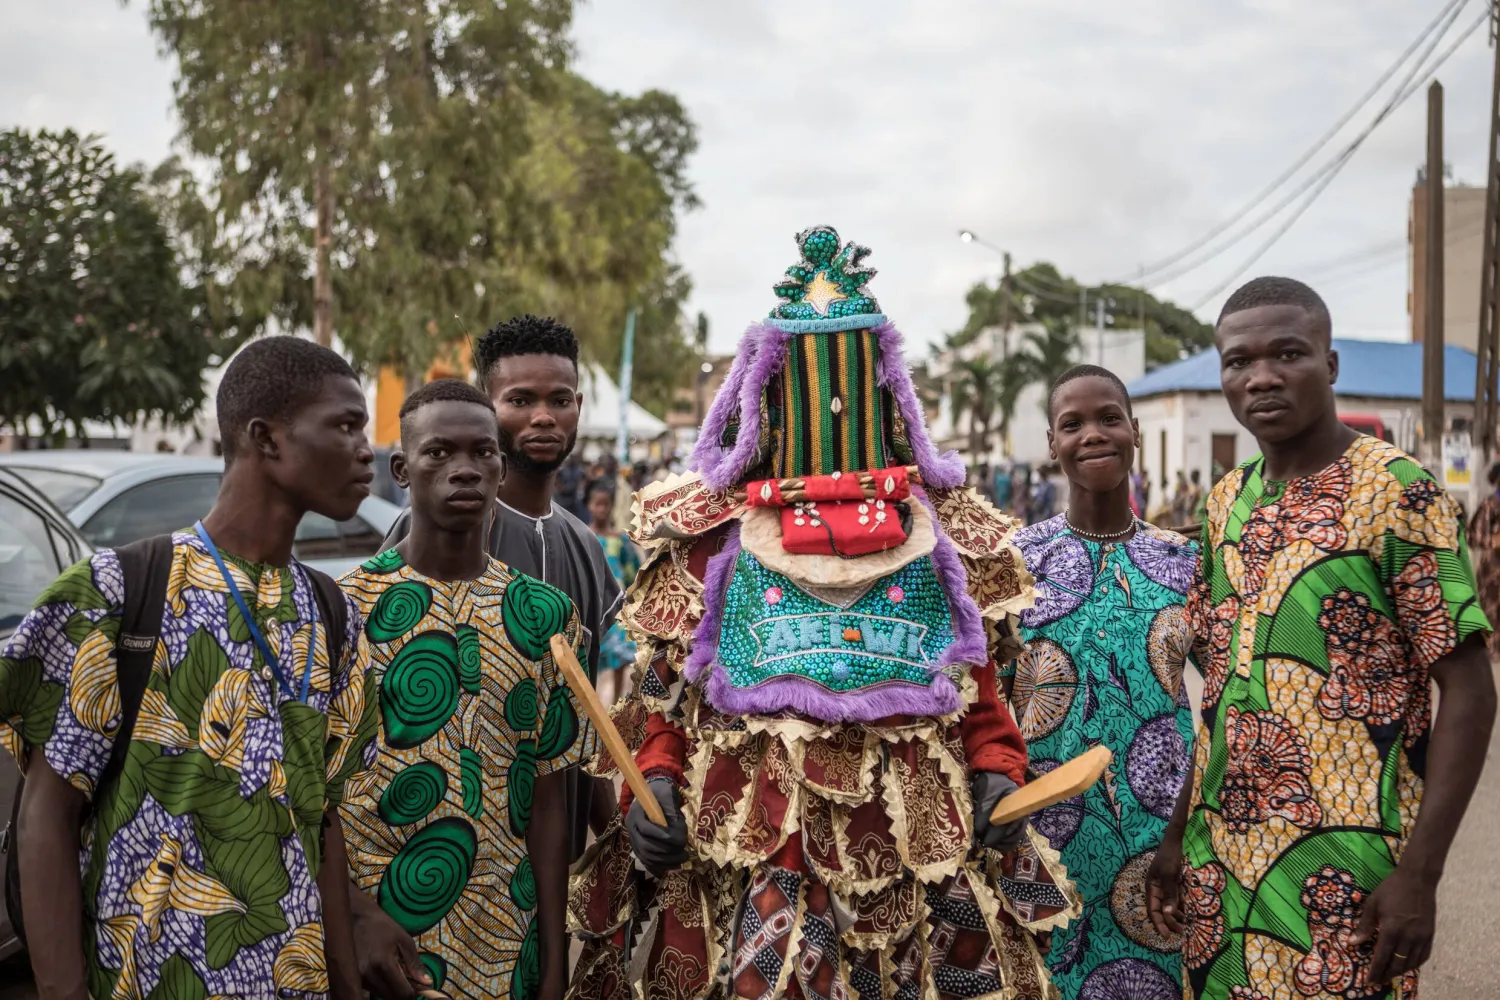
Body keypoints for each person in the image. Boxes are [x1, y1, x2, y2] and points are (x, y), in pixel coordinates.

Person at [568, 226, 1076, 1000]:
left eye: (846, 376)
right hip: (751, 845)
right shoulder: (713, 532)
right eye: (804, 377)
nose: (828, 402)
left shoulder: (939, 529)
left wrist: (998, 773)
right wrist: (659, 782)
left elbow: (978, 687)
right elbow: (670, 691)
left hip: (913, 855)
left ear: (883, 392)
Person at [1146, 277, 1496, 999]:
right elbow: (1220, 693)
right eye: (1237, 361)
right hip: (1223, 869)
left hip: (1346, 874)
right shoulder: (1225, 502)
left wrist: (1421, 876)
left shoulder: (1397, 492)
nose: (1261, 376)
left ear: (1330, 366)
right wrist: (1179, 836)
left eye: (1288, 353)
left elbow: (1468, 688)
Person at [0, 336, 380, 999]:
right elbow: (44, 815)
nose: (365, 449)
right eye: (345, 425)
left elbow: (322, 830)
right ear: (266, 439)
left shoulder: (334, 615)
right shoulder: (119, 592)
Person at [341, 379, 595, 1000]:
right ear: (401, 468)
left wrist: (554, 958)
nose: (464, 470)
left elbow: (549, 799)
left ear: (502, 470)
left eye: (482, 453)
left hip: (508, 942)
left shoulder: (547, 617)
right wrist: (351, 917)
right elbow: (306, 799)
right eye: (439, 453)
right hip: (377, 940)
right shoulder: (342, 612)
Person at [380, 315, 622, 865]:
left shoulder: (584, 545)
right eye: (520, 399)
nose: (543, 416)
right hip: (443, 868)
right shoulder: (441, 532)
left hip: (554, 871)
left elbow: (584, 723)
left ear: (579, 408)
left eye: (559, 399)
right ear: (488, 409)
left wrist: (614, 841)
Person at [1008, 365, 1196, 997]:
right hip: (1038, 840)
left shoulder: (1182, 562)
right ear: (1051, 444)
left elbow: (1226, 697)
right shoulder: (1015, 564)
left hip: (1156, 844)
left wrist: (1183, 833)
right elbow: (981, 701)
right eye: (1073, 423)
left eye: (1109, 418)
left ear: (1135, 431)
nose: (1093, 434)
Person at [585, 480, 641, 707]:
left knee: (621, 655)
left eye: (606, 505)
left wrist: (633, 598)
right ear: (589, 505)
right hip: (591, 605)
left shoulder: (620, 539)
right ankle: (592, 706)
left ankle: (617, 705)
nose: (601, 509)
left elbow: (632, 572)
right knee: (592, 657)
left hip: (616, 605)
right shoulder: (582, 536)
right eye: (597, 504)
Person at [1470, 461, 1500, 660]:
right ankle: (1491, 651)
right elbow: (1474, 537)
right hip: (1493, 572)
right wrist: (1493, 540)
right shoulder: (1490, 505)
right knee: (1491, 613)